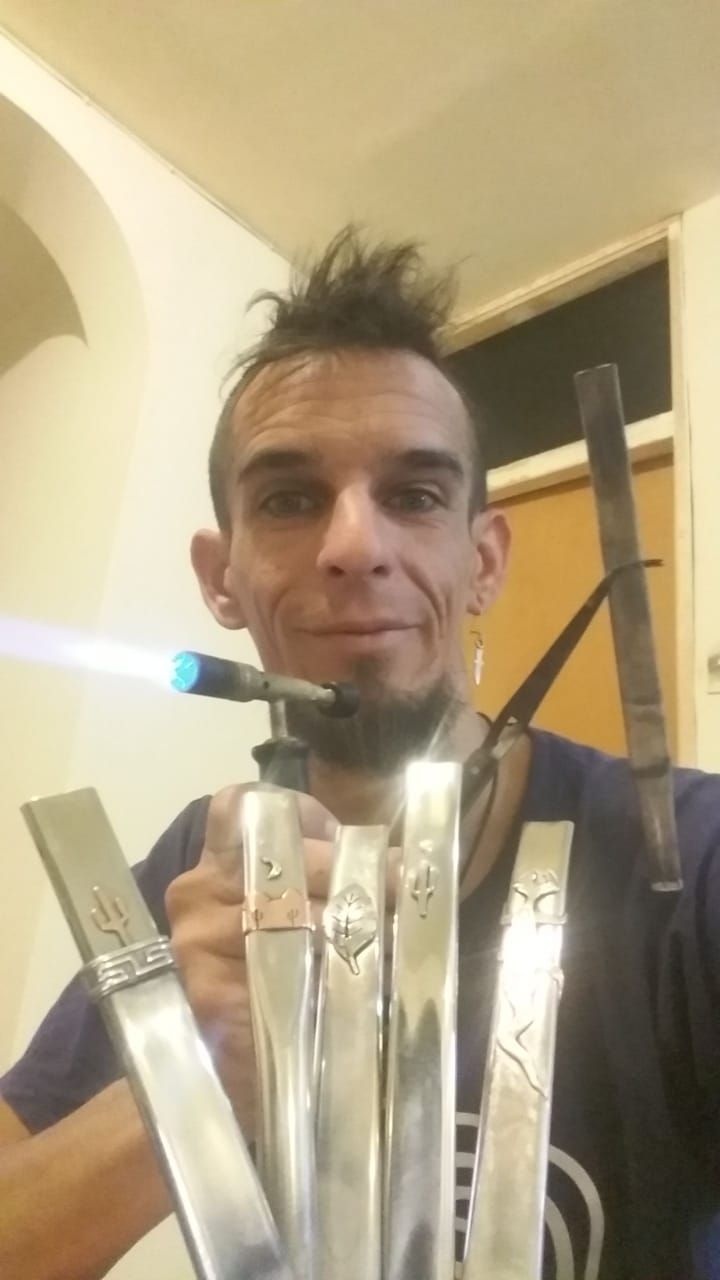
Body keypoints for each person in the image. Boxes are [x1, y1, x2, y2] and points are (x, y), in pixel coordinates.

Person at [1, 228, 719, 1280]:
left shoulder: (685, 855)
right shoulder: (197, 875)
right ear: (221, 578)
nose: (354, 546)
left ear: (483, 561)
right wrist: (193, 1073)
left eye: (415, 495)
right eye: (290, 499)